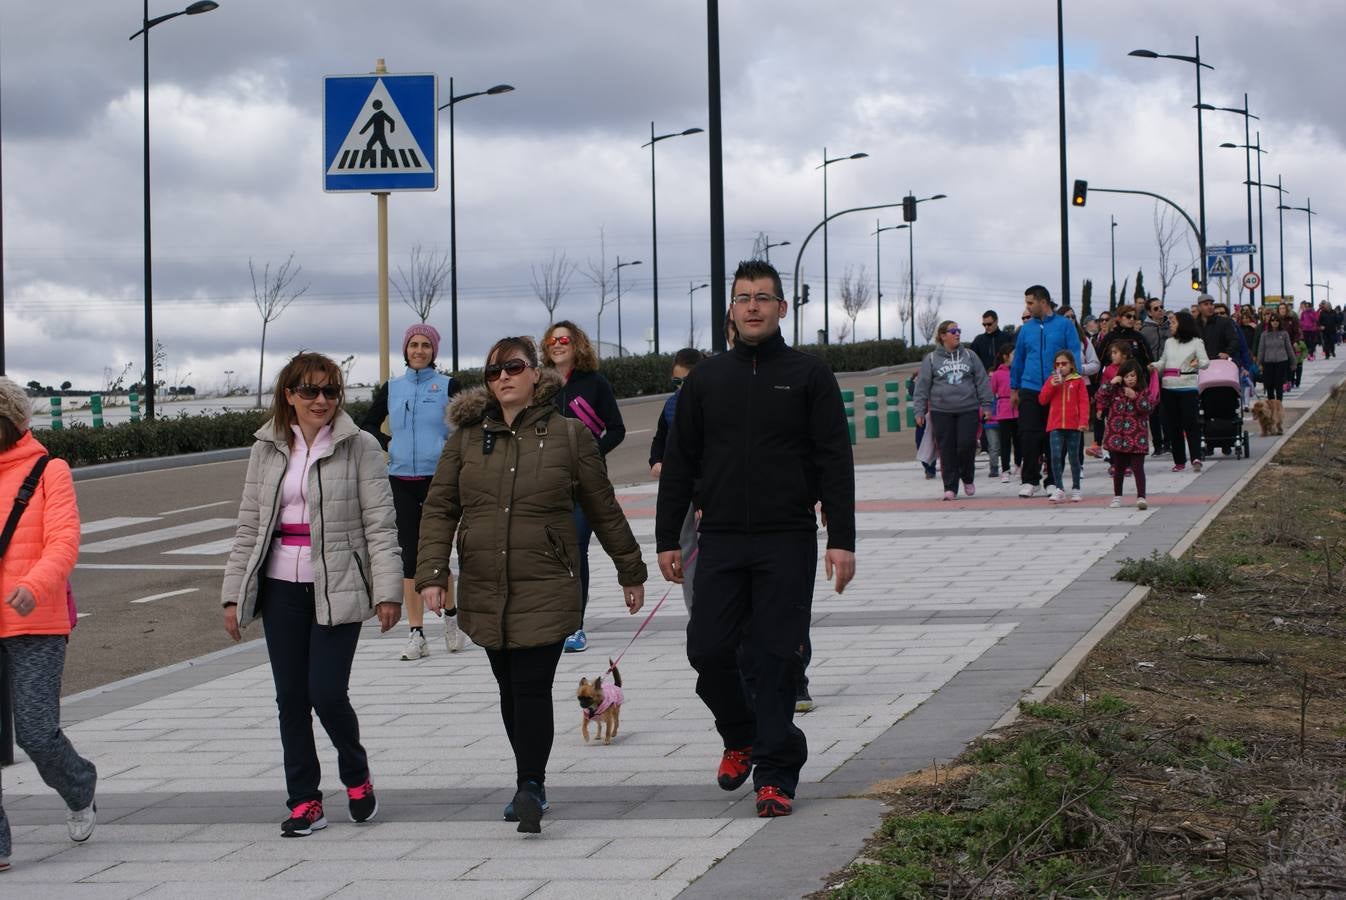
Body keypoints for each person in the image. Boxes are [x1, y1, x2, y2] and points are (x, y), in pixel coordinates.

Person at [417, 336, 646, 833]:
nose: (503, 376)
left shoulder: (570, 436)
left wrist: (631, 570)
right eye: (494, 369)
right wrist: (432, 573)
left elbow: (602, 505)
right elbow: (439, 508)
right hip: (485, 583)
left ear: (535, 374)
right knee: (508, 689)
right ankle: (529, 781)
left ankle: (530, 786)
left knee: (530, 686)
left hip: (545, 581)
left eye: (514, 367)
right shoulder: (466, 439)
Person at [655, 259, 856, 819]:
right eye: (742, 298)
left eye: (762, 297)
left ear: (782, 308)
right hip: (717, 539)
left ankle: (775, 772)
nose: (752, 307)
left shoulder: (810, 374)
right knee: (708, 649)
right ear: (731, 310)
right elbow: (679, 463)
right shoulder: (706, 379)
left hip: (786, 538)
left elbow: (834, 461)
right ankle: (740, 735)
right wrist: (668, 536)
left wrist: (841, 537)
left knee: (774, 659)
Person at [222, 352, 403, 838]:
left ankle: (356, 772)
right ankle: (305, 801)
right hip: (281, 586)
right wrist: (233, 594)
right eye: (309, 391)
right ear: (290, 395)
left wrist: (388, 591)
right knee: (291, 699)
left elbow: (381, 526)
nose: (320, 400)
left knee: (325, 691)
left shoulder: (360, 445)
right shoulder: (266, 447)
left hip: (338, 582)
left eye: (330, 391)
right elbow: (248, 527)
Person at [0, 378, 94, 870]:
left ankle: (79, 786)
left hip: (35, 620)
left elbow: (63, 540)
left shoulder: (49, 470)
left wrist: (33, 587)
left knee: (35, 733)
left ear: (14, 424)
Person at [360, 324, 464, 661]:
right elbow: (368, 425)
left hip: (438, 479)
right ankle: (416, 634)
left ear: (435, 351)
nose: (419, 351)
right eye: (413, 345)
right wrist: (393, 445)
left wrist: (449, 452)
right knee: (409, 557)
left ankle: (451, 618)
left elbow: (466, 429)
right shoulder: (393, 387)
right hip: (400, 479)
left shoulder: (448, 386)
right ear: (405, 350)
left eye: (426, 346)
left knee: (437, 554)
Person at [540, 320, 626, 654]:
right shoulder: (539, 385)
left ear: (577, 344)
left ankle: (575, 626)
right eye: (552, 340)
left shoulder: (595, 384)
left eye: (564, 339)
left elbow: (616, 429)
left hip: (584, 484)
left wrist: (589, 455)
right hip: (547, 482)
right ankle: (553, 620)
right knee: (551, 551)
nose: (557, 344)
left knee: (575, 548)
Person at [1009, 285, 1081, 497]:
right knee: (1028, 435)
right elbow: (1019, 359)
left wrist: (1071, 380)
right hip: (1030, 388)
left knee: (1055, 436)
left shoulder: (1065, 326)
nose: (1027, 307)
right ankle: (1030, 480)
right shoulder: (1026, 329)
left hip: (1058, 388)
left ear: (1043, 302)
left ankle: (1053, 480)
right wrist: (1014, 388)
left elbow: (1074, 353)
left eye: (1030, 303)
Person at [649, 347, 704, 614]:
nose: (681, 388)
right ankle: (695, 608)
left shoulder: (712, 404)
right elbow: (660, 437)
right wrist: (656, 461)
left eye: (687, 382)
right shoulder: (671, 405)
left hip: (707, 487)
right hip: (679, 486)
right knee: (686, 546)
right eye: (676, 382)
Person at [912, 320, 993, 500]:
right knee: (946, 449)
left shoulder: (970, 356)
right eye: (953, 331)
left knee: (966, 445)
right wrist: (918, 411)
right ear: (942, 336)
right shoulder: (932, 359)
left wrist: (987, 405)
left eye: (959, 330)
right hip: (941, 411)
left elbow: (982, 381)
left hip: (968, 409)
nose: (957, 334)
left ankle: (967, 477)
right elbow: (922, 387)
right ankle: (950, 487)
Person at [1152, 311, 1211, 473]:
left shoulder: (1196, 342)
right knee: (1173, 426)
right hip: (1168, 387)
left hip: (1188, 386)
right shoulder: (1169, 342)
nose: (1170, 325)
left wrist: (1198, 362)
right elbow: (1163, 361)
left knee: (1191, 423)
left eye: (1173, 322)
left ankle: (1196, 457)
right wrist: (1154, 366)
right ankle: (1179, 461)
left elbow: (1206, 362)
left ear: (1183, 324)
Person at [1096, 359, 1153, 509]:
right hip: (1118, 438)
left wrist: (1135, 397)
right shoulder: (1115, 391)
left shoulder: (1143, 392)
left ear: (1138, 376)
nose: (1130, 379)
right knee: (1118, 468)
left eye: (1133, 375)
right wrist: (1112, 383)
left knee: (1138, 467)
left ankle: (1141, 496)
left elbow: (1147, 409)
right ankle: (1117, 496)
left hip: (1136, 437)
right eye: (1126, 376)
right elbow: (1100, 396)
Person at [1038, 349, 1090, 502]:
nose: (1060, 366)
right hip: (1055, 425)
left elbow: (1084, 403)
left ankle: (1076, 487)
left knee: (1074, 457)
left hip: (1074, 425)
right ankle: (1059, 488)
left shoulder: (1078, 380)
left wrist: (1083, 422)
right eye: (1057, 364)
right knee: (1054, 457)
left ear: (1072, 365)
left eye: (1064, 363)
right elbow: (1042, 400)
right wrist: (1052, 386)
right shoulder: (1052, 380)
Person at [1139, 298, 1171, 455]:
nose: (1160, 310)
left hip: (1169, 375)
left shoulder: (1170, 328)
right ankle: (1158, 444)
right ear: (1149, 312)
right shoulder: (1144, 331)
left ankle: (1168, 442)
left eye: (1161, 307)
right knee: (1154, 412)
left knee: (1169, 411)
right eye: (1156, 308)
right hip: (1151, 377)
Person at [987, 344, 1018, 482]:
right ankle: (1005, 469)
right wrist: (987, 410)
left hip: (1018, 411)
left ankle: (1018, 465)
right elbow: (990, 392)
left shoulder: (1018, 371)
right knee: (1004, 443)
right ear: (1006, 357)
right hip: (1003, 412)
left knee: (1019, 441)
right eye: (1013, 354)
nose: (1016, 356)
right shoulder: (997, 374)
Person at [1256, 313, 1294, 403]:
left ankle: (1279, 404)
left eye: (1277, 320)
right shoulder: (1264, 335)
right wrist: (1259, 363)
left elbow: (1289, 348)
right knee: (1269, 385)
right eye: (1272, 320)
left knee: (1279, 384)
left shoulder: (1284, 334)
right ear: (1270, 322)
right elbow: (1261, 349)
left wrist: (1293, 362)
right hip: (1268, 362)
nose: (1275, 322)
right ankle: (1271, 404)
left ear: (1279, 322)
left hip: (1281, 361)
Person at [1196, 295, 1239, 361]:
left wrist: (1227, 353)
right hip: (1200, 364)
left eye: (1211, 304)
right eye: (1206, 304)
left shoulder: (1224, 322)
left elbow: (1234, 340)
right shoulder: (1194, 324)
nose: (1210, 307)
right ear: (1199, 307)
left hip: (1219, 363)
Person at [970, 310, 1012, 376]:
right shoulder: (978, 340)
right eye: (984, 324)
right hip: (984, 379)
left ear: (996, 321)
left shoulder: (1007, 337)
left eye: (989, 324)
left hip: (1004, 378)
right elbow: (971, 360)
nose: (986, 327)